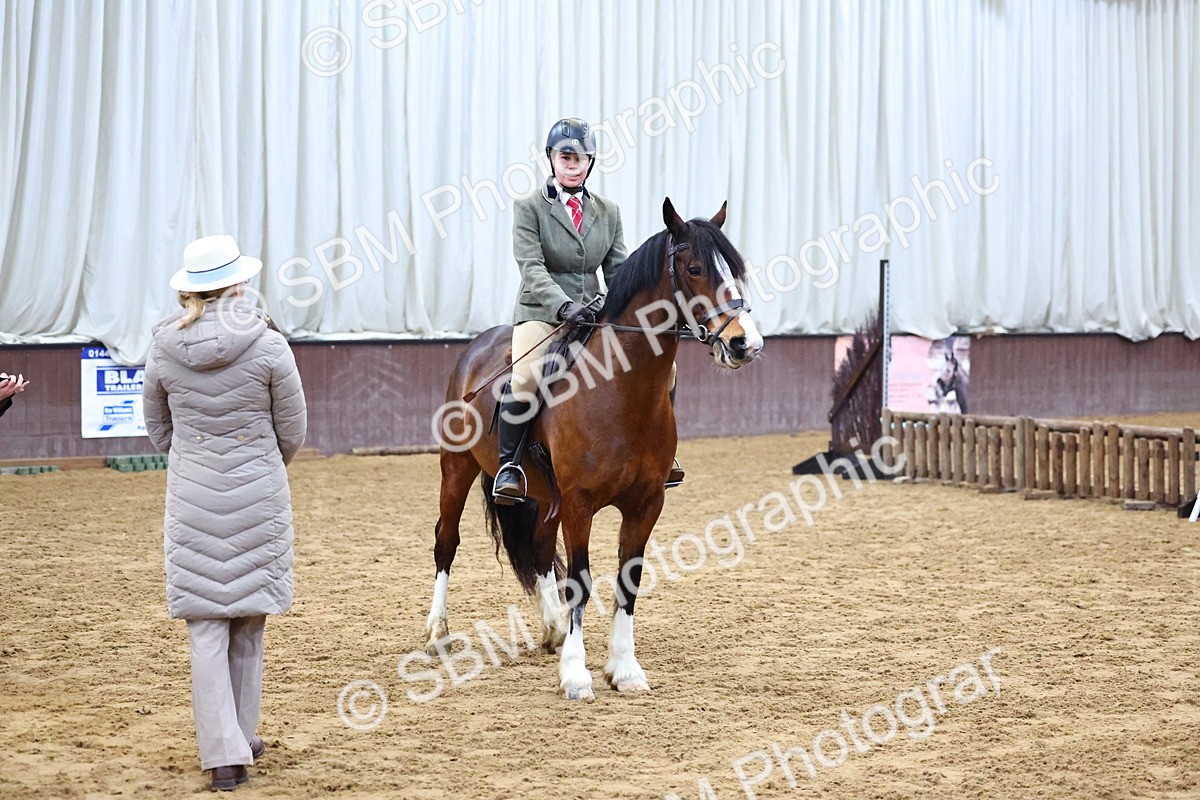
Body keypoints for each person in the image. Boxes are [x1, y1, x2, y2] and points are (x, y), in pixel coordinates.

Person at [142, 234, 306, 792]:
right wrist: (258, 463)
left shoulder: (162, 347)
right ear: (236, 283)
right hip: (260, 495)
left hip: (191, 500)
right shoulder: (269, 345)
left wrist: (197, 460)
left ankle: (224, 753)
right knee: (249, 622)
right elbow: (294, 432)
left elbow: (159, 431)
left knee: (206, 629)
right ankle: (241, 735)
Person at [493, 117, 683, 504]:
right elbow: (531, 267)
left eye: (580, 158)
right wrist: (562, 305)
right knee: (527, 376)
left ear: (590, 162)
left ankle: (663, 451)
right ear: (551, 159)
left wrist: (637, 311)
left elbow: (618, 271)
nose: (572, 164)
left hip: (594, 313)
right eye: (565, 157)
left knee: (668, 367)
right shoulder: (529, 208)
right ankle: (509, 465)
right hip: (542, 313)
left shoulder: (608, 211)